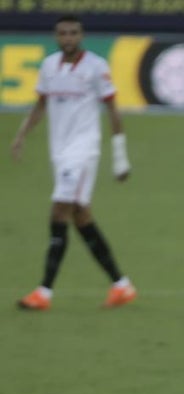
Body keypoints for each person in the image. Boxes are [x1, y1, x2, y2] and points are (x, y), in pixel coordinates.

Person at [10, 14, 136, 312]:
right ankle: (121, 286)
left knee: (58, 211)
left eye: (73, 33)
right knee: (81, 217)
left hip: (83, 151)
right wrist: (22, 135)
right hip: (60, 151)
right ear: (56, 36)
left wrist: (120, 157)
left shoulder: (96, 67)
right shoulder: (49, 66)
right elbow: (41, 103)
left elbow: (113, 109)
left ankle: (44, 292)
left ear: (81, 35)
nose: (68, 38)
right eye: (63, 33)